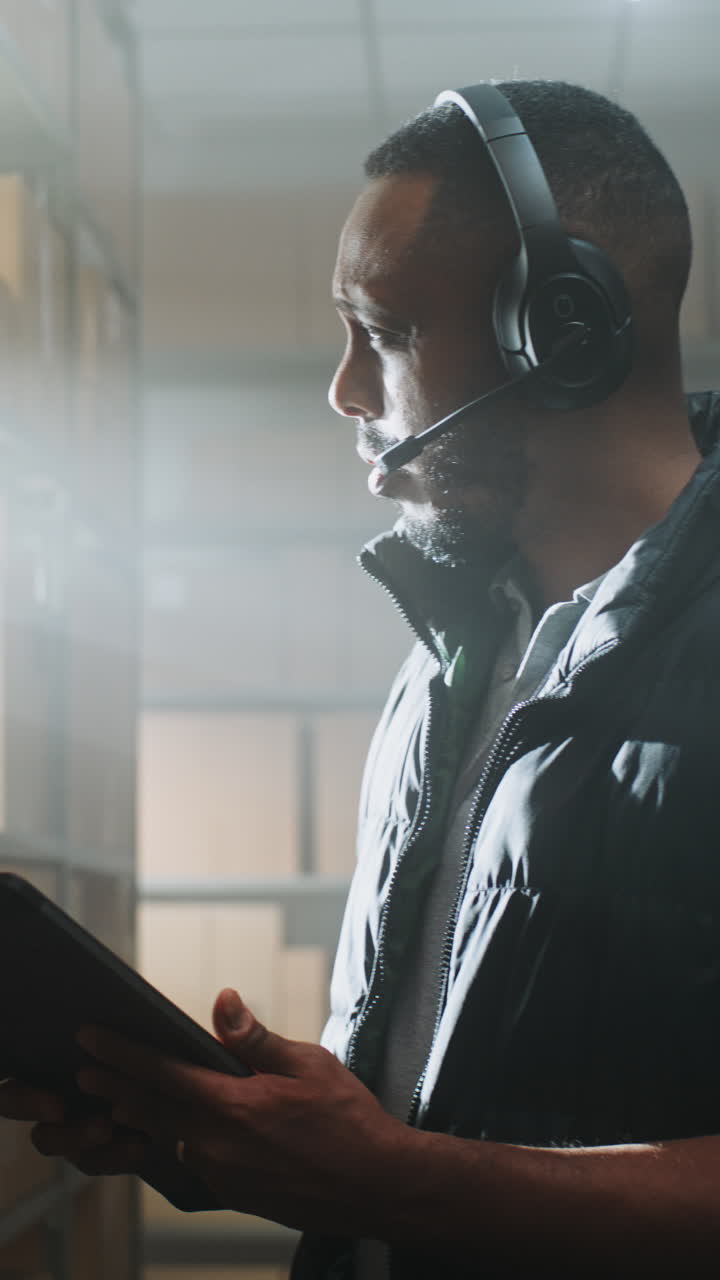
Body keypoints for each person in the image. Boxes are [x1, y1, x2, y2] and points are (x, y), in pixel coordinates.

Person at [2, 79, 720, 1278]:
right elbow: (421, 1110)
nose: (343, 389)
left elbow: (422, 1175)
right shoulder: (445, 660)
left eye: (382, 333)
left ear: (566, 330)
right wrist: (243, 1141)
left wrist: (402, 1180)